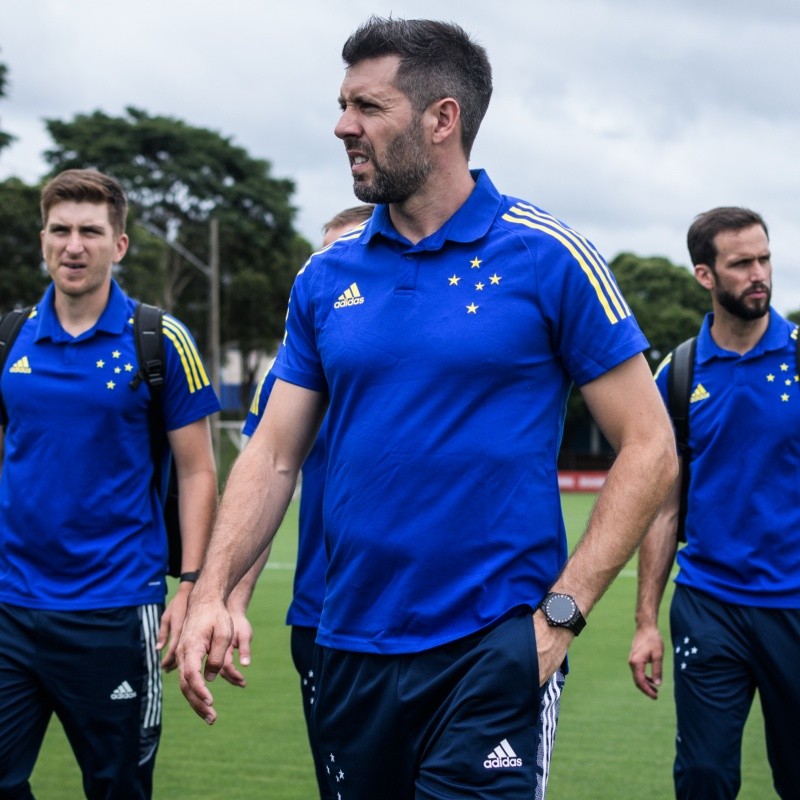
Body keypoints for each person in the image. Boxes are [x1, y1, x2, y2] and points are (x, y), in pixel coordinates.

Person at [178, 17, 676, 799]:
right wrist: (210, 592)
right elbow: (274, 453)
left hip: (492, 649)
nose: (343, 126)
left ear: (443, 119)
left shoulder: (547, 253)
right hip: (344, 646)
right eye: (343, 105)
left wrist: (562, 619)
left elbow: (650, 446)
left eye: (368, 107)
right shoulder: (325, 276)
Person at [0, 168, 221, 800]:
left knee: (118, 787)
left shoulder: (159, 340)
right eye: (60, 230)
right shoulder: (8, 339)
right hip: (11, 608)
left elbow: (198, 469)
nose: (74, 245)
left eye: (91, 232)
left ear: (118, 245)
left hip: (116, 610)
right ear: (42, 239)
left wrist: (193, 586)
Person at [628, 207, 800, 799]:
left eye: (765, 258)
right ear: (705, 275)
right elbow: (663, 507)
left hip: (795, 606)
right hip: (709, 605)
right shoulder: (676, 373)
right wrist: (646, 621)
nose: (760, 274)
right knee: (703, 778)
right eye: (741, 263)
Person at [230, 203, 373, 800]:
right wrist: (230, 600)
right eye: (323, 257)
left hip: (441, 623)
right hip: (321, 620)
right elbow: (266, 483)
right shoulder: (293, 378)